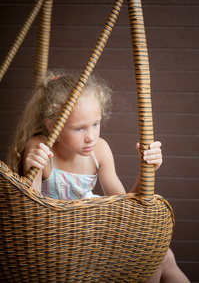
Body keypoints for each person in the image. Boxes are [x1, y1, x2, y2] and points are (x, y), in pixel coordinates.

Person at [7, 70, 190, 283]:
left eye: (96, 124)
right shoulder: (42, 149)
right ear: (51, 125)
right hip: (59, 239)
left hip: (94, 229)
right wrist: (32, 167)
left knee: (163, 256)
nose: (91, 136)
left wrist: (146, 170)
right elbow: (30, 211)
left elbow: (125, 205)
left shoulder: (100, 151)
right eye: (79, 129)